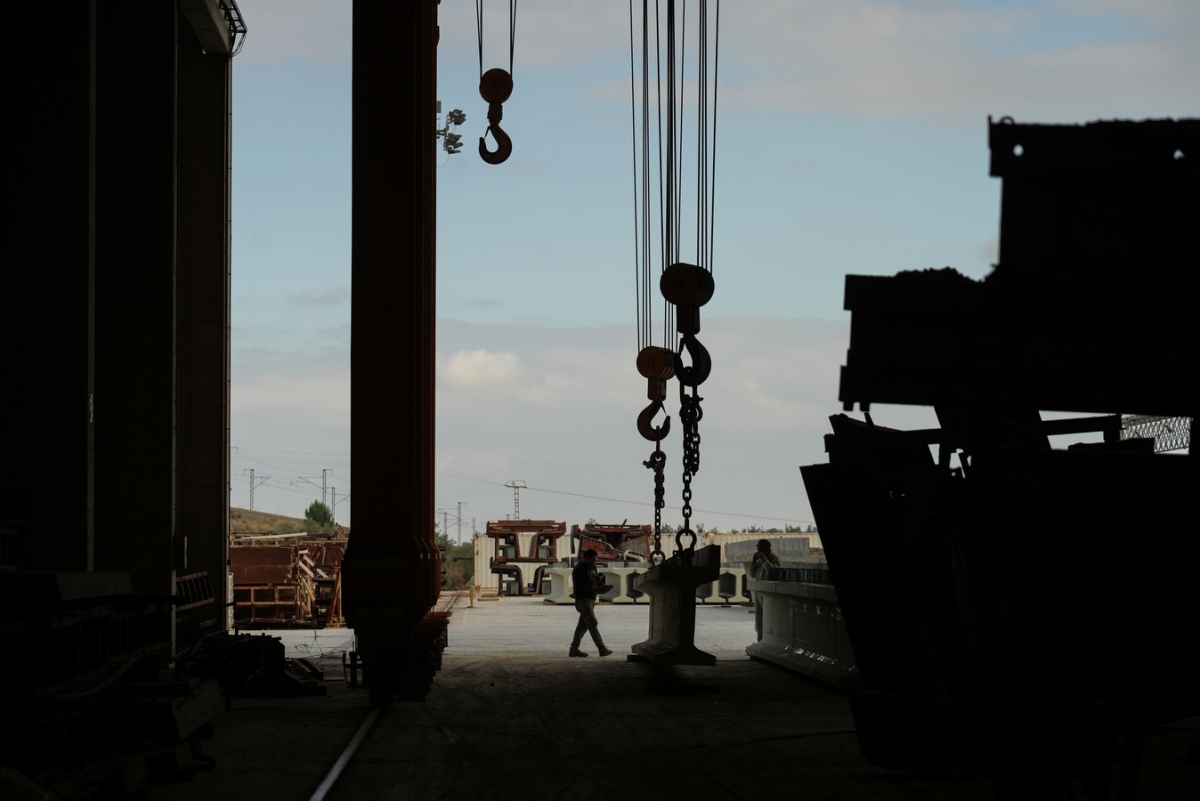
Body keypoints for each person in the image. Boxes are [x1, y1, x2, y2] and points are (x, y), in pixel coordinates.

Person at [569, 549, 613, 657]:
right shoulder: (579, 569)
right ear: (586, 557)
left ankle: (574, 648)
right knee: (592, 622)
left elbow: (596, 579)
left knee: (583, 625)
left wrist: (602, 587)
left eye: (595, 559)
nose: (594, 561)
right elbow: (579, 585)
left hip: (591, 599)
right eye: (592, 559)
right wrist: (593, 588)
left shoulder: (592, 567)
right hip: (583, 600)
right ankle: (601, 648)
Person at [751, 539, 782, 642]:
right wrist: (753, 561)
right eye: (758, 547)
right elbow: (752, 574)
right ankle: (760, 641)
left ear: (767, 548)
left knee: (768, 618)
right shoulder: (759, 560)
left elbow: (774, 573)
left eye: (761, 547)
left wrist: (765, 561)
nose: (758, 549)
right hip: (758, 592)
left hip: (767, 593)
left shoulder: (775, 559)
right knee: (759, 620)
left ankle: (768, 641)